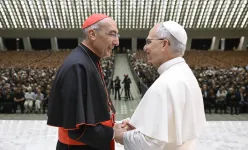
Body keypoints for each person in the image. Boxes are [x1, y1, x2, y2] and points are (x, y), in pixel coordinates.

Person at [114, 21, 206, 150]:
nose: (145, 48)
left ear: (164, 44)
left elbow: (149, 145)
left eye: (149, 42)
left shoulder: (166, 83)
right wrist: (139, 125)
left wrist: (121, 136)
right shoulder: (184, 73)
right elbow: (169, 127)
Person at [47, 14, 119, 150]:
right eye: (112, 34)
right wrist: (114, 132)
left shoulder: (88, 60)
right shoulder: (77, 66)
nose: (117, 42)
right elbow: (78, 129)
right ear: (92, 34)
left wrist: (115, 125)